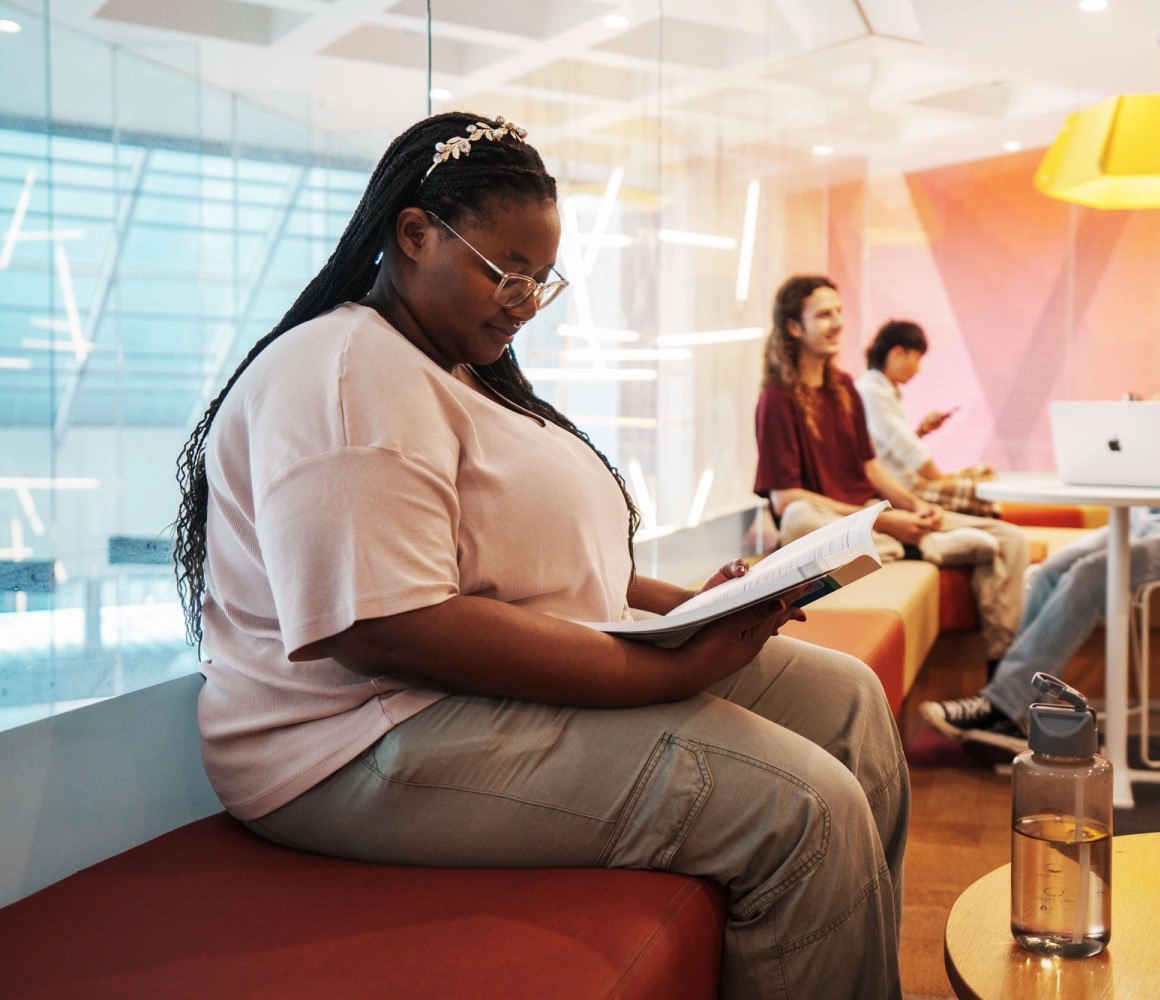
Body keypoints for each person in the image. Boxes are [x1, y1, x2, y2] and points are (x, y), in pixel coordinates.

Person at [171, 113, 908, 1000]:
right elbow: (391, 629)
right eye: (507, 274)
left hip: (459, 689)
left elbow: (540, 563)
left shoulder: (455, 370)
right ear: (413, 234)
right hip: (360, 738)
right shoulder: (342, 374)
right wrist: (667, 674)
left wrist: (688, 612)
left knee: (847, 700)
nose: (524, 300)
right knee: (805, 811)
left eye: (541, 280)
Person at [919, 286, 1160, 757]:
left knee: (1092, 574)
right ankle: (1021, 710)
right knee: (1048, 569)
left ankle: (1001, 707)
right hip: (1146, 520)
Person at [753, 275, 1030, 669]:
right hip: (832, 525)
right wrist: (884, 521)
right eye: (823, 314)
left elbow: (870, 467)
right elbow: (785, 499)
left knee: (1010, 538)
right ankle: (914, 548)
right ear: (794, 327)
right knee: (798, 519)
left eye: (838, 312)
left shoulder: (846, 388)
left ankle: (1003, 675)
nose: (837, 322)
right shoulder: (776, 399)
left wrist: (916, 508)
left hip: (868, 516)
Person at [854, 319, 1004, 519]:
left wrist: (922, 431)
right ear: (897, 353)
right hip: (903, 487)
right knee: (984, 493)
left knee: (985, 472)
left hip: (909, 479)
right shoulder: (872, 391)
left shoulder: (884, 390)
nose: (918, 368)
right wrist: (942, 480)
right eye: (916, 359)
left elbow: (890, 446)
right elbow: (909, 450)